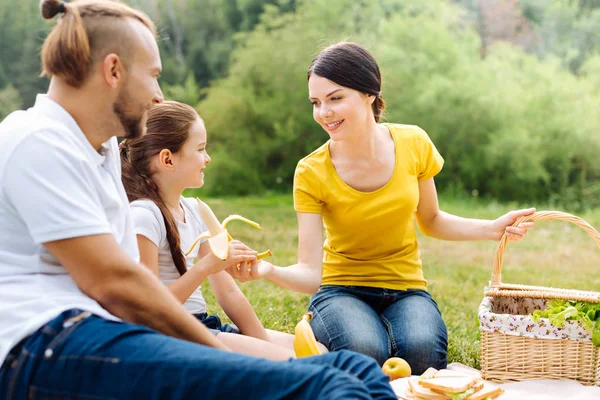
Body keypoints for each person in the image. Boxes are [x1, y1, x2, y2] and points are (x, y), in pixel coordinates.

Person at [0, 2, 397, 398]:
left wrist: (234, 349)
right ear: (114, 70)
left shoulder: (97, 151)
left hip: (101, 332)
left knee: (353, 368)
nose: (158, 95)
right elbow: (115, 283)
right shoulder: (37, 140)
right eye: (153, 75)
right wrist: (223, 356)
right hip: (44, 343)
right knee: (328, 384)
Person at [227, 41, 536, 374]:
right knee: (364, 353)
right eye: (316, 103)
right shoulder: (311, 171)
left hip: (406, 289)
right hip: (340, 289)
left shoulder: (413, 143)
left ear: (369, 94)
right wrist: (269, 271)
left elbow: (431, 219)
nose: (324, 113)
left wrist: (492, 228)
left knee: (422, 356)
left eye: (335, 98)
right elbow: (310, 271)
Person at [120, 100, 323, 360]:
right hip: (175, 333)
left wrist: (260, 340)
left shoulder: (195, 210)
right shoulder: (145, 216)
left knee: (319, 354)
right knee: (300, 367)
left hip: (204, 324)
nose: (208, 158)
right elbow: (149, 308)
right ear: (168, 159)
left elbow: (228, 292)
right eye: (201, 149)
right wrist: (206, 266)